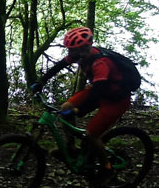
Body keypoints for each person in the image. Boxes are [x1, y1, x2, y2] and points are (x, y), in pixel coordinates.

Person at [38, 26, 133, 179]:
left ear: (83, 50)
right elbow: (60, 65)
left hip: (116, 100)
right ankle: (71, 148)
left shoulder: (100, 63)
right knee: (65, 107)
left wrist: (79, 111)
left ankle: (106, 167)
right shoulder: (80, 55)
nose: (69, 54)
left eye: (72, 50)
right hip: (100, 89)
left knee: (91, 134)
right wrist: (41, 81)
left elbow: (96, 95)